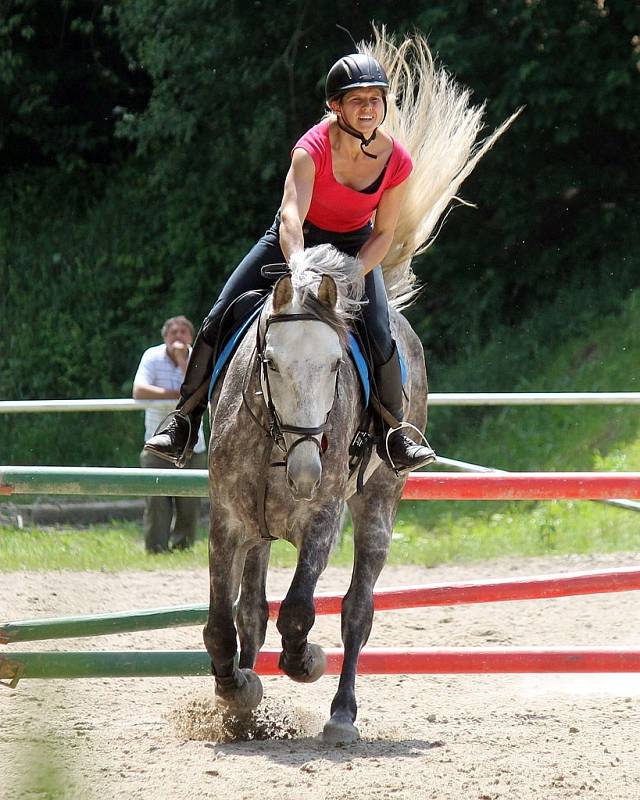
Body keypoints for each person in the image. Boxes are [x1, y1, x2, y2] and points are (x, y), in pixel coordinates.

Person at [144, 51, 436, 474]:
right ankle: (183, 422)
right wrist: (298, 267)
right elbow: (290, 216)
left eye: (376, 99)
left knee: (377, 330)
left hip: (354, 248)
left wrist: (354, 272)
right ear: (336, 106)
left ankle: (395, 433)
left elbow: (384, 234)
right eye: (358, 100)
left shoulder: (397, 161)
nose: (370, 108)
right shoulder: (311, 148)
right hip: (296, 239)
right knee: (219, 315)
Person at [133, 315, 207, 553]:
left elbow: (198, 391)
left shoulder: (199, 357)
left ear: (191, 337)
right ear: (165, 337)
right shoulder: (151, 357)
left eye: (184, 332)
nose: (178, 336)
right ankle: (156, 550)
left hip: (191, 446)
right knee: (156, 501)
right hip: (156, 442)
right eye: (173, 332)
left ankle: (183, 548)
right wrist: (177, 394)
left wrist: (184, 362)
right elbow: (139, 391)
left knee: (189, 503)